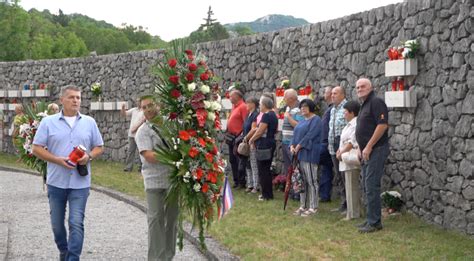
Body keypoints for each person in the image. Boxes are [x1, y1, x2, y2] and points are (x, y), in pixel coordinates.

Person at [32, 85, 104, 261]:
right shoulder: (48, 122)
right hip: (56, 182)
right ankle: (64, 252)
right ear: (61, 100)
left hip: (80, 183)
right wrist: (57, 160)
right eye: (71, 97)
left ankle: (72, 258)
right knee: (57, 226)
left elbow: (99, 147)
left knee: (76, 223)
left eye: (78, 98)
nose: (75, 101)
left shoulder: (89, 122)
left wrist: (88, 156)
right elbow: (36, 148)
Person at [135, 95, 179, 260]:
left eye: (150, 105)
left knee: (172, 220)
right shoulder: (143, 131)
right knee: (155, 220)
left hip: (174, 180)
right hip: (154, 182)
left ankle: (168, 256)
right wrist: (174, 156)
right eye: (144, 107)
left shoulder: (172, 124)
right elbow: (149, 156)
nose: (147, 109)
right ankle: (155, 258)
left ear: (158, 105)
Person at [355, 78, 389, 233]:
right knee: (367, 186)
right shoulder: (364, 105)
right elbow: (362, 128)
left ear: (370, 87)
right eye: (357, 87)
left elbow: (382, 125)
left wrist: (368, 146)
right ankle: (370, 219)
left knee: (371, 186)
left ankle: (374, 222)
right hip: (366, 151)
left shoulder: (376, 102)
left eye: (363, 86)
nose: (359, 89)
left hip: (376, 150)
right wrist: (359, 148)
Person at [290, 99, 322, 217]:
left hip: (310, 153)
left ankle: (313, 206)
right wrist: (292, 146)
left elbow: (311, 135)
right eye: (301, 107)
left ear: (311, 107)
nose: (302, 108)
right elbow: (295, 135)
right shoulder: (302, 121)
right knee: (301, 181)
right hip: (300, 155)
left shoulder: (316, 120)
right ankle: (303, 205)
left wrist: (299, 145)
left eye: (305, 106)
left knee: (311, 181)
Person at [249, 96, 278, 201]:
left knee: (263, 170)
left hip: (265, 144)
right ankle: (268, 193)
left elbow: (260, 131)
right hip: (271, 142)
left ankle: (266, 195)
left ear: (265, 105)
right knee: (266, 169)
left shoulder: (266, 116)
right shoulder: (273, 115)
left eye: (260, 104)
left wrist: (251, 139)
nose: (259, 106)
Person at [336, 100, 361, 220]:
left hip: (350, 156)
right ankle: (351, 212)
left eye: (345, 112)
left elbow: (352, 141)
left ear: (352, 112)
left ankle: (353, 213)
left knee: (352, 186)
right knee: (349, 185)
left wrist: (342, 152)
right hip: (345, 156)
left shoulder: (356, 124)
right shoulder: (349, 124)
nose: (344, 114)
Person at [328, 86, 348, 213]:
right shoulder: (332, 110)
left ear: (342, 95)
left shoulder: (347, 108)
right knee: (339, 176)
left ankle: (350, 204)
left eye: (335, 93)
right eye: (331, 94)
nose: (332, 96)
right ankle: (343, 203)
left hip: (343, 145)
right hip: (332, 146)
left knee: (345, 175)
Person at [226, 89, 248, 188]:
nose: (230, 98)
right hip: (231, 137)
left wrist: (242, 136)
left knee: (239, 160)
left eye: (231, 96)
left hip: (238, 137)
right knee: (232, 160)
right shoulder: (234, 107)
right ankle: (236, 181)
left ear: (237, 97)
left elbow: (246, 122)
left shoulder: (243, 107)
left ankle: (241, 181)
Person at [281, 89, 304, 177]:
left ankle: (296, 189)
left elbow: (299, 126)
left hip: (292, 144)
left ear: (291, 99)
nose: (284, 99)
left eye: (285, 97)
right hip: (285, 143)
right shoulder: (288, 109)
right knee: (288, 168)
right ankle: (289, 188)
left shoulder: (299, 110)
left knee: (295, 169)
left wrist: (288, 117)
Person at [319, 87, 334, 202]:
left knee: (326, 168)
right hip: (325, 142)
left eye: (325, 92)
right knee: (326, 168)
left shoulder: (333, 109)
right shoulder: (329, 109)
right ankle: (324, 194)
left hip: (328, 143)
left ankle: (324, 194)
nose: (323, 94)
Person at [242, 97, 260, 193]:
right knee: (247, 164)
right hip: (247, 142)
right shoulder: (248, 115)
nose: (246, 105)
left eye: (248, 103)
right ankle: (250, 184)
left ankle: (256, 185)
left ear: (253, 104)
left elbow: (253, 129)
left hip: (252, 142)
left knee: (253, 164)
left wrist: (246, 138)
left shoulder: (255, 115)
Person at [121, 99, 145, 172]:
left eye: (138, 101)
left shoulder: (144, 111)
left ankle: (141, 168)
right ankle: (128, 167)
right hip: (131, 135)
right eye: (136, 101)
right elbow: (124, 114)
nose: (137, 102)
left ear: (142, 102)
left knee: (141, 152)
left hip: (140, 134)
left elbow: (143, 120)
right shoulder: (134, 110)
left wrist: (135, 128)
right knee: (130, 151)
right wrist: (122, 108)